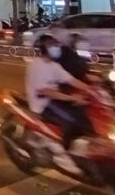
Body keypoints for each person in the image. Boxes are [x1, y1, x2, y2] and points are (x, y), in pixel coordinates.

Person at [26, 35, 93, 174]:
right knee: (71, 121)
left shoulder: (54, 65)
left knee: (85, 114)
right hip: (43, 104)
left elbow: (71, 80)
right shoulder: (36, 66)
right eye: (51, 45)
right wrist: (71, 98)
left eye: (56, 45)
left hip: (55, 99)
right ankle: (63, 156)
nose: (56, 48)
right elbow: (47, 92)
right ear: (44, 49)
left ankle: (80, 149)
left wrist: (91, 90)